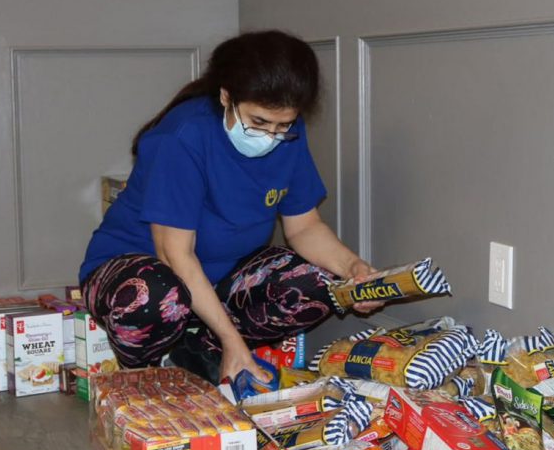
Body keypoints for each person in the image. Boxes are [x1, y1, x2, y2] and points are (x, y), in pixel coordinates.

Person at [79, 31, 381, 383]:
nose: (271, 136)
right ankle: (145, 374)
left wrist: (353, 269)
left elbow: (304, 227)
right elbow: (176, 256)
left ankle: (197, 354)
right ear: (226, 96)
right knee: (156, 295)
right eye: (258, 123)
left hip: (221, 280)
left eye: (282, 125)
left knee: (317, 281)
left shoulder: (289, 135)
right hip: (143, 277)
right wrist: (232, 339)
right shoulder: (181, 138)